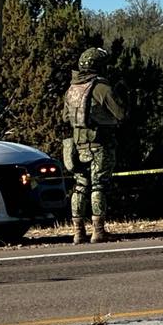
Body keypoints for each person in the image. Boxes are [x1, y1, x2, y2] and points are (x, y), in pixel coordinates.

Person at [63, 47, 125, 244]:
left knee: (80, 186)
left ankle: (78, 232)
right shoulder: (102, 88)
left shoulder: (72, 88)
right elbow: (121, 114)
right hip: (100, 144)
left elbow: (65, 117)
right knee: (98, 185)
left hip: (78, 145)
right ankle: (98, 231)